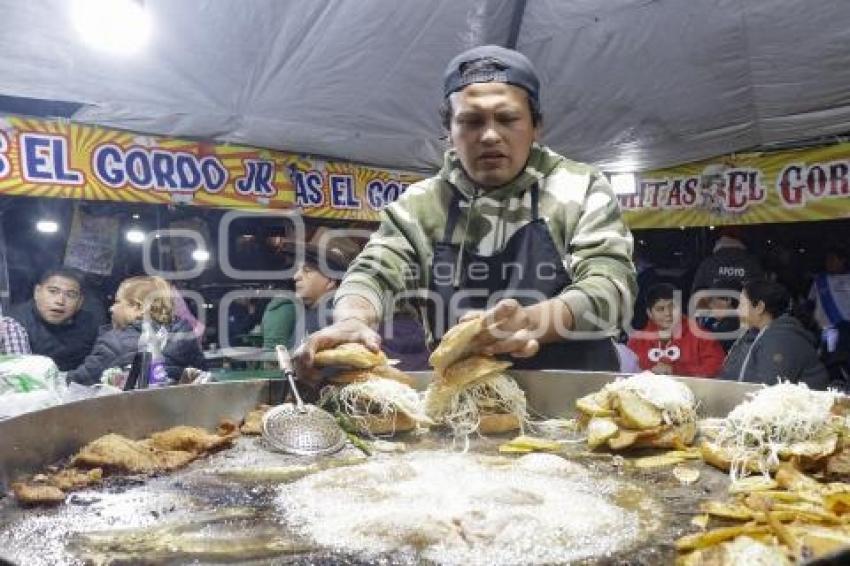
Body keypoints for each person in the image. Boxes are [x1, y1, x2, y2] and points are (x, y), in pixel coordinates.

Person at [296, 45, 636, 374]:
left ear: (536, 126)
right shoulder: (420, 205)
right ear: (449, 131)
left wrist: (533, 322)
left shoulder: (580, 187)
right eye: (471, 122)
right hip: (461, 412)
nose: (489, 135)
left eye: (507, 119)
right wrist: (353, 318)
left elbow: (611, 287)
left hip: (573, 405)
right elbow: (374, 272)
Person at [66, 276, 206, 386]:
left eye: (117, 302)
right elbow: (202, 375)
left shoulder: (115, 342)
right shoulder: (185, 336)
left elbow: (79, 381)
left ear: (138, 308)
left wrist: (60, 377)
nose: (111, 308)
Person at [719, 278, 828, 389]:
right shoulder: (753, 335)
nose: (737, 311)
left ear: (759, 307)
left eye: (741, 304)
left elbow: (768, 390)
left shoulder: (782, 340)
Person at [627, 283, 725, 378]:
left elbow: (717, 368)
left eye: (672, 307)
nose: (668, 313)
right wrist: (650, 374)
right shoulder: (636, 341)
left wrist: (677, 371)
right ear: (649, 313)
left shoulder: (703, 337)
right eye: (660, 309)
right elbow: (627, 374)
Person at [9, 268, 99, 371]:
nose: (60, 301)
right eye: (53, 291)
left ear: (80, 302)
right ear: (37, 292)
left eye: (70, 295)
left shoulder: (89, 325)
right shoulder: (13, 323)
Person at [807, 246, 850, 353]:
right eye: (827, 260)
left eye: (832, 259)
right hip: (825, 331)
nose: (828, 263)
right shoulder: (820, 281)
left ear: (842, 260)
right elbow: (810, 303)